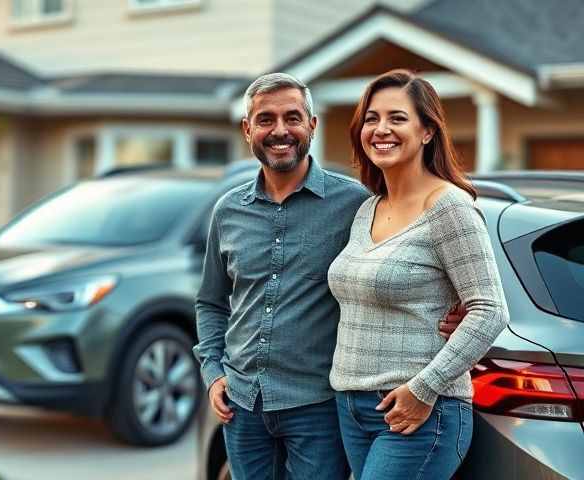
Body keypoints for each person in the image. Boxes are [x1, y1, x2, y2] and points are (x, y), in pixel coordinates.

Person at [193, 72, 462, 479]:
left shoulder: (356, 204)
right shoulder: (228, 211)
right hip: (241, 406)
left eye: (292, 118)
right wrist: (213, 372)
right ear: (247, 130)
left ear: (312, 126)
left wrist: (452, 304)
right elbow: (211, 302)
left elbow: (399, 267)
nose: (280, 130)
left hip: (317, 408)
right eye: (265, 120)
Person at [327, 69, 509, 480]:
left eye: (397, 118)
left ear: (427, 131)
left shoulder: (448, 207)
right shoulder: (366, 209)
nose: (381, 129)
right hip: (353, 409)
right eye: (371, 119)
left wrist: (423, 389)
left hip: (421, 413)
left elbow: (490, 310)